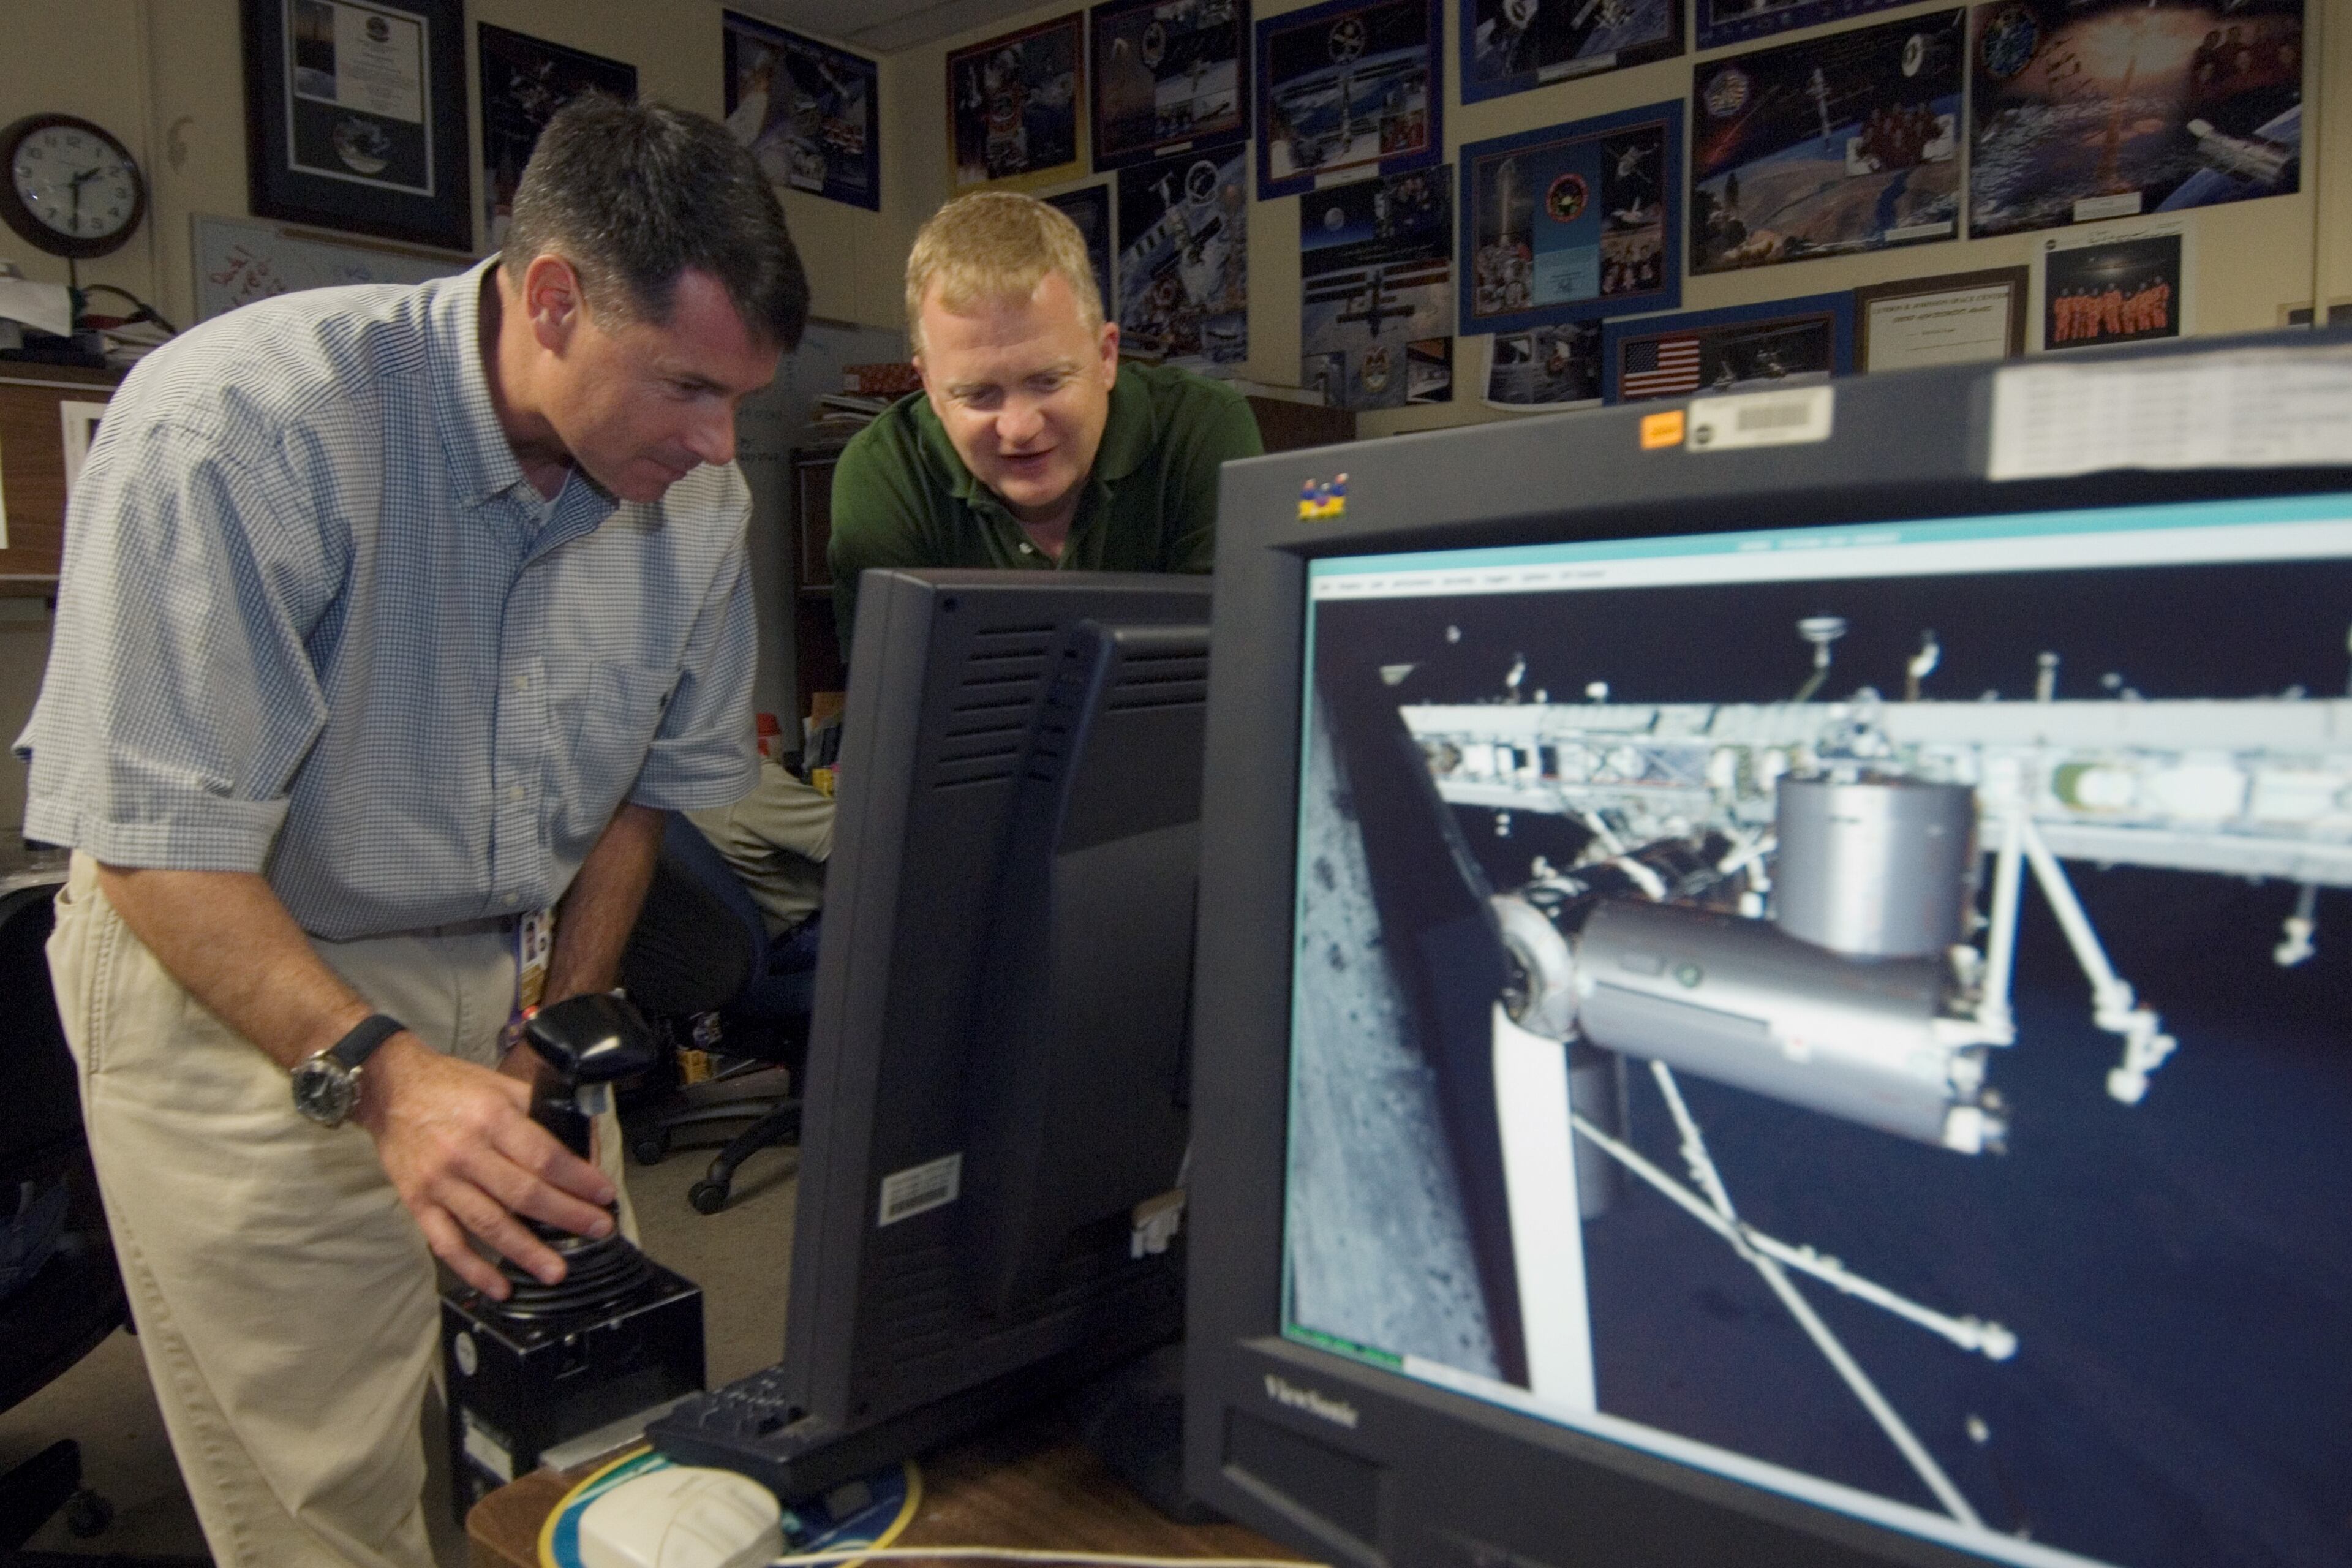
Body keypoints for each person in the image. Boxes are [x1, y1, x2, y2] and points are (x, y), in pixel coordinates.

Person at [17, 96, 807, 1568]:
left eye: (740, 400)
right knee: (334, 1495)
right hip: (236, 961)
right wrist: (385, 1079)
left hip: (508, 960)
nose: (718, 446)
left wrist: (556, 1021)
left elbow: (638, 790)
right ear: (555, 301)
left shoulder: (693, 498)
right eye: (689, 386)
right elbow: (151, 836)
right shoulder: (242, 424)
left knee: (584, 1433)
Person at [826, 191, 1263, 652]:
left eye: (1048, 381)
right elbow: (892, 686)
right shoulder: (883, 472)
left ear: (1106, 357)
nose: (1019, 429)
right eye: (978, 394)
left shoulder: (1202, 430)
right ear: (930, 386)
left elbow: (1236, 663)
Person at [684, 755, 835, 982]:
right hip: (798, 942)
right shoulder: (742, 781)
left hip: (730, 954)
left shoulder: (659, 786)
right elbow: (863, 844)